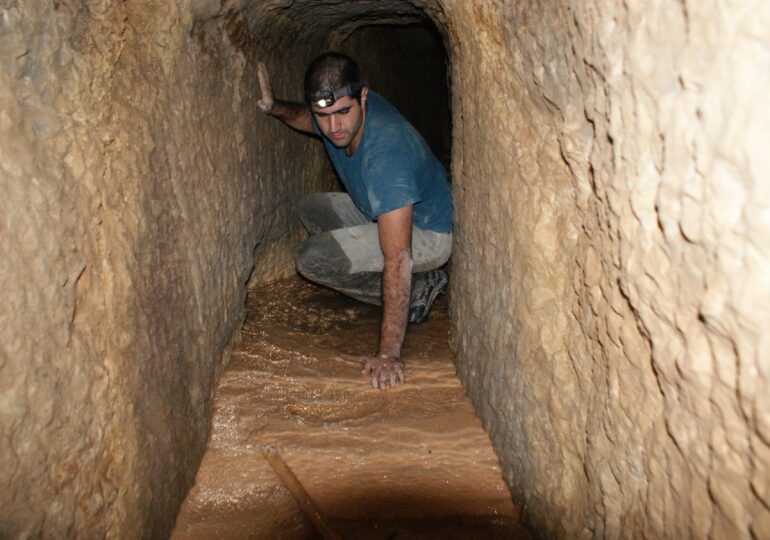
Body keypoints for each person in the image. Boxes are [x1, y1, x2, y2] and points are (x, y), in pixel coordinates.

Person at [256, 53, 452, 390]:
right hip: (377, 210)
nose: (334, 128)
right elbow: (308, 119)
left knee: (313, 259)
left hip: (426, 233)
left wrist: (389, 353)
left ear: (362, 97)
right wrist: (274, 107)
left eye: (343, 113)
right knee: (311, 208)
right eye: (324, 115)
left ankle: (420, 289)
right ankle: (408, 282)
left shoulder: (388, 157)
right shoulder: (340, 111)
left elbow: (398, 256)